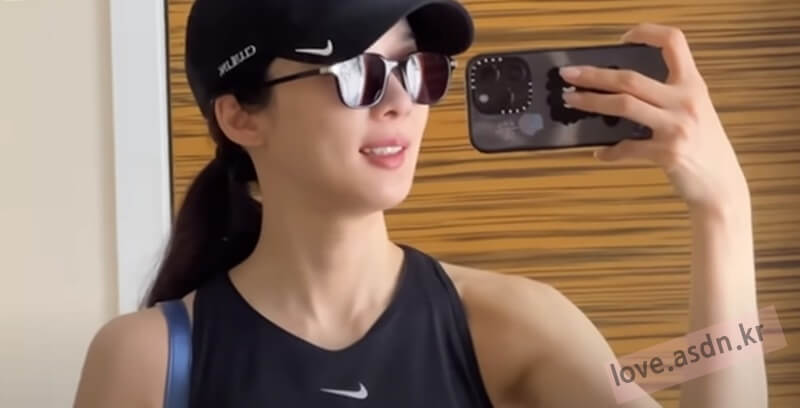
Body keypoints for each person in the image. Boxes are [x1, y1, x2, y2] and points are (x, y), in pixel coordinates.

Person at [74, 0, 767, 406]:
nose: (401, 100)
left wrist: (724, 210)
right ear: (240, 117)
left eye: (416, 67)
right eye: (356, 72)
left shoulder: (512, 323)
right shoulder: (148, 361)